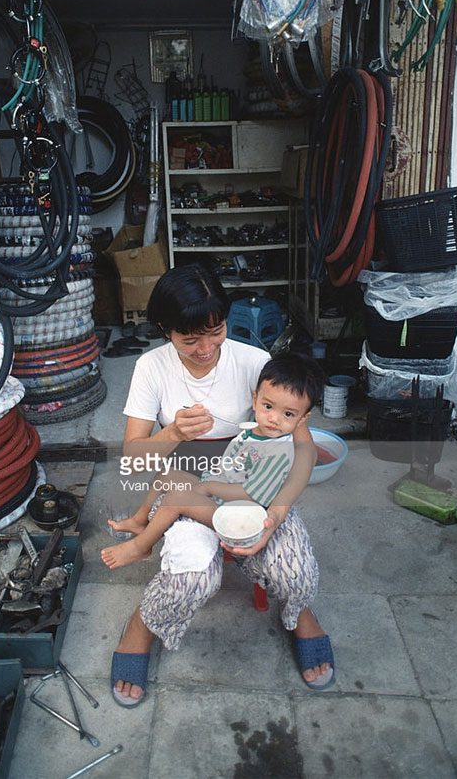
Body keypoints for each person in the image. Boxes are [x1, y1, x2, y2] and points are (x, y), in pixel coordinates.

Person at [110, 263, 335, 709]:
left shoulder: (255, 363)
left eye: (215, 332)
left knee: (295, 571)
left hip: (257, 491)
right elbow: (134, 460)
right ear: (164, 329)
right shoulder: (150, 368)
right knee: (192, 577)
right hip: (190, 488)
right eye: (189, 339)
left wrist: (278, 514)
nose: (205, 348)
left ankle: (298, 612)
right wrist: (173, 433)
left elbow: (303, 451)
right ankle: (142, 622)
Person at [101, 354, 321, 570]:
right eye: (268, 407)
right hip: (220, 489)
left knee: (177, 498)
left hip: (238, 510)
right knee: (167, 475)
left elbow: (253, 494)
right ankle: (140, 520)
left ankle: (141, 546)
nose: (274, 418)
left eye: (289, 414)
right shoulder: (253, 432)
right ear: (255, 400)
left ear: (302, 419)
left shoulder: (278, 452)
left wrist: (209, 486)